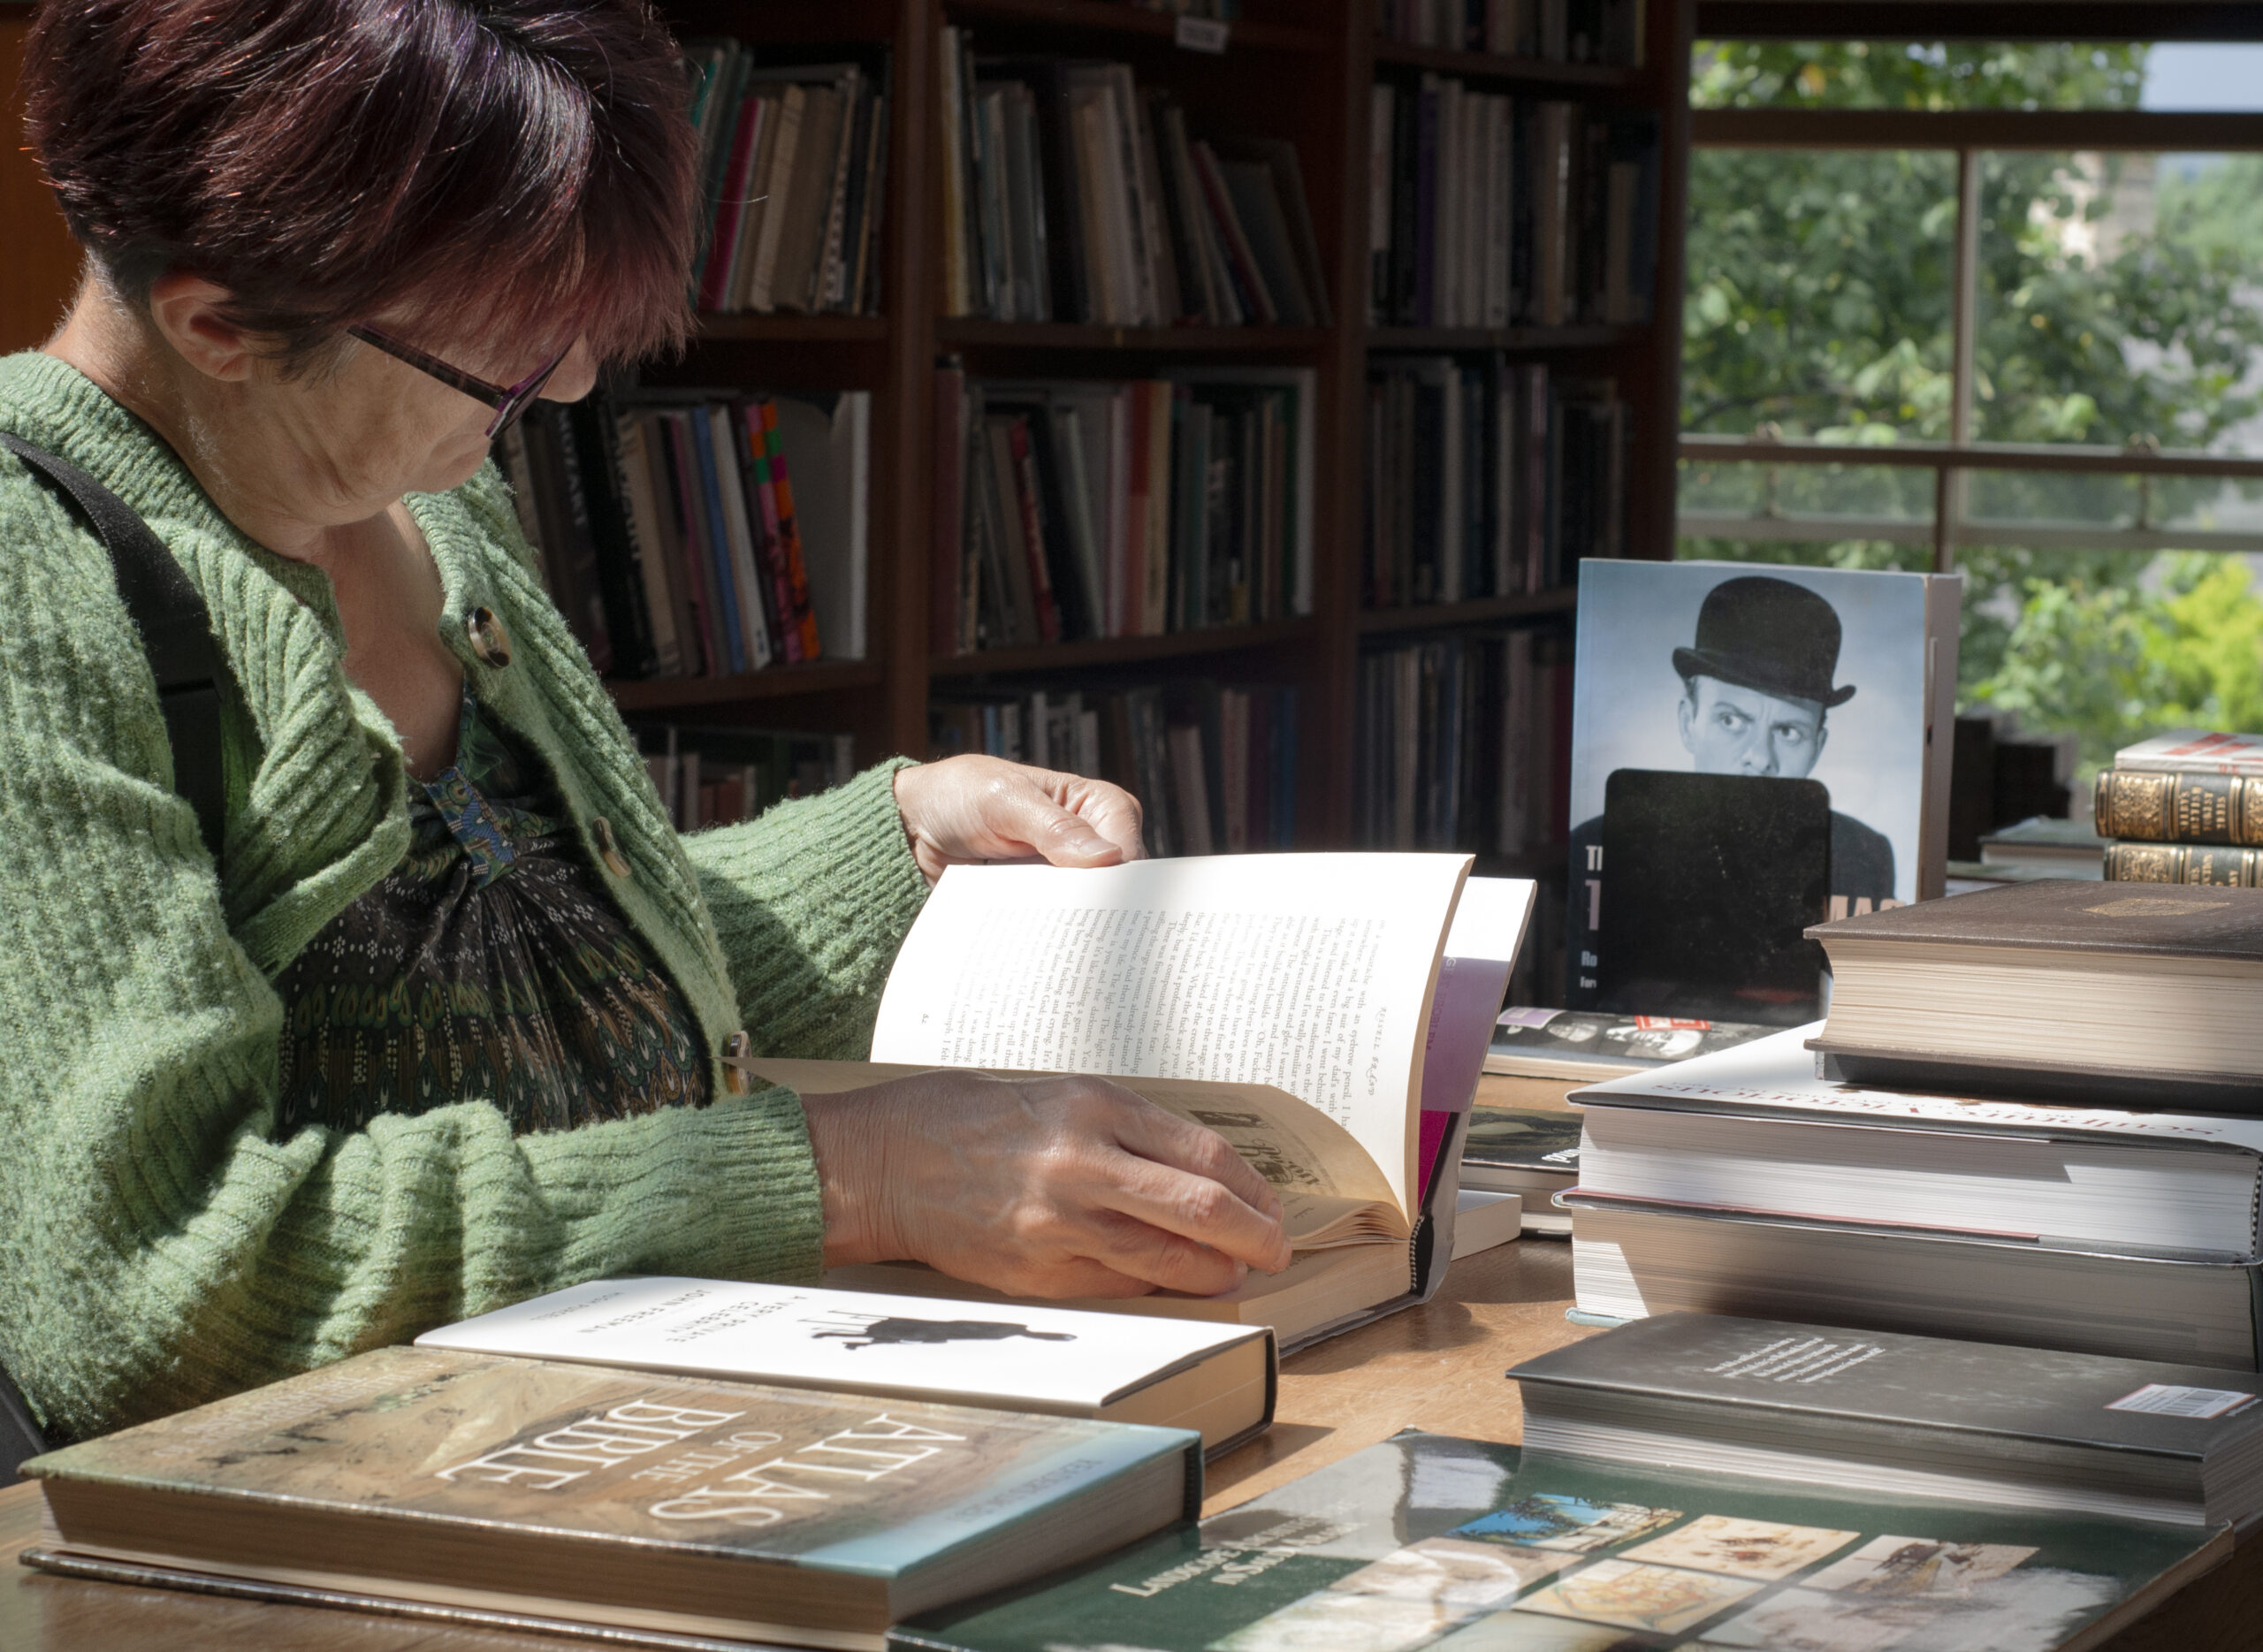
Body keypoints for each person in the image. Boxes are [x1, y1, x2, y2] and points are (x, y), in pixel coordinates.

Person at [0, 0, 1288, 1447]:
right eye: (498, 356)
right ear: (217, 322)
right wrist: (838, 1176)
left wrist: (898, 841)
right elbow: (155, 1287)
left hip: (603, 1422)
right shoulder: (30, 583)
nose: (566, 383)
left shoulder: (418, 494)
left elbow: (528, 986)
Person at [1567, 574, 1897, 910]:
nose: (1759, 757)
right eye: (1731, 721)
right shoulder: (1601, 843)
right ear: (1687, 723)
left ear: (1818, 746)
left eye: (1789, 732)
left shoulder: (1861, 855)